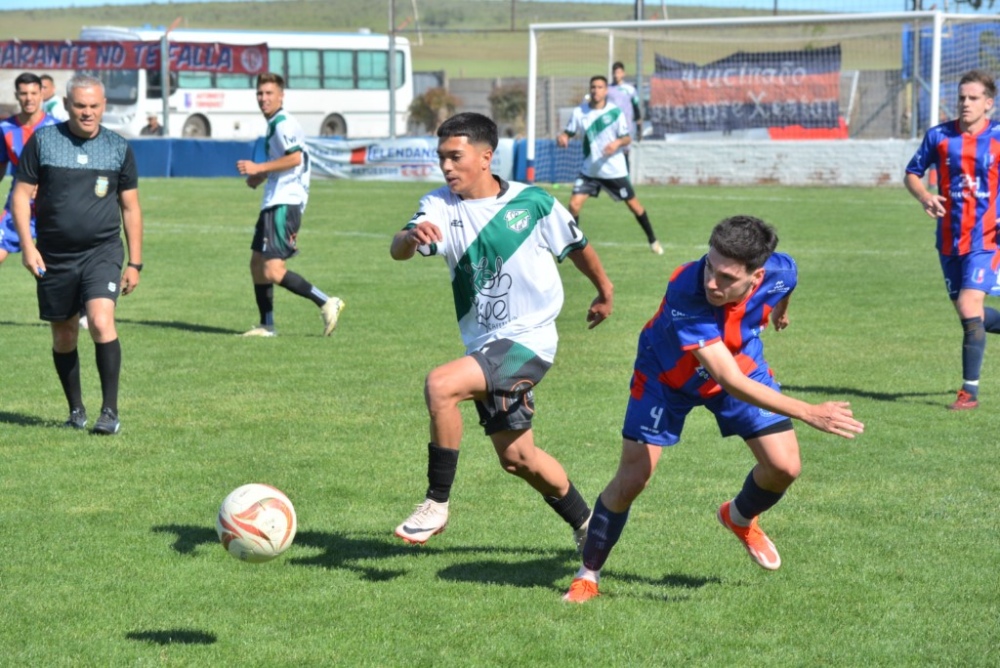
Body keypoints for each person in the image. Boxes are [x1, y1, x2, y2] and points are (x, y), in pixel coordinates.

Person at [562, 215, 864, 603]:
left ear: (755, 278)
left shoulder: (778, 271)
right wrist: (809, 411)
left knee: (785, 467)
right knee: (634, 477)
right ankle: (588, 574)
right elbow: (727, 380)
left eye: (726, 278)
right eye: (710, 267)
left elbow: (789, 280)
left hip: (739, 362)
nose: (711, 282)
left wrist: (780, 310)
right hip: (666, 376)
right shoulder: (686, 287)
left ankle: (738, 517)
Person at [390, 112, 615, 551]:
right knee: (518, 459)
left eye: (455, 157)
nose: (447, 167)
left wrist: (604, 291)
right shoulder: (438, 205)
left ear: (486, 156)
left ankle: (436, 503)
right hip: (486, 345)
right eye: (442, 158)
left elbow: (577, 246)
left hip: (530, 341)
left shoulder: (532, 203)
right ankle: (589, 524)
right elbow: (400, 247)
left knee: (441, 385)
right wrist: (412, 235)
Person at [12, 73, 144, 435]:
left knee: (101, 322)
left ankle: (110, 412)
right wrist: (27, 246)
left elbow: (130, 207)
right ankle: (75, 410)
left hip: (101, 251)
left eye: (94, 106)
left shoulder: (118, 147)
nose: (88, 113)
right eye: (81, 106)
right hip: (53, 255)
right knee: (64, 335)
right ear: (67, 105)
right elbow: (20, 196)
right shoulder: (43, 142)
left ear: (104, 106)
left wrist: (135, 262)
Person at [904, 69, 1000, 411]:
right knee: (969, 314)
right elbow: (912, 173)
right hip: (948, 240)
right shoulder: (939, 136)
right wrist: (925, 196)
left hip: (987, 238)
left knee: (969, 307)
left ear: (988, 103)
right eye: (961, 97)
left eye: (973, 98)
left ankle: (969, 393)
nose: (965, 103)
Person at [236, 72, 343, 337]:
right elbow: (290, 160)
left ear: (281, 96)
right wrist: (260, 176)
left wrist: (258, 166)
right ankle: (267, 325)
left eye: (269, 93)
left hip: (286, 202)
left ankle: (326, 301)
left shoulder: (283, 123)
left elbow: (295, 158)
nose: (264, 98)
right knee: (256, 263)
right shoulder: (275, 124)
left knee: (272, 269)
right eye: (260, 94)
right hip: (274, 199)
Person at [557, 75, 663, 255]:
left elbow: (627, 137)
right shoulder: (579, 112)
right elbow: (568, 132)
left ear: (606, 91)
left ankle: (653, 240)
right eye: (593, 87)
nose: (595, 90)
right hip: (590, 170)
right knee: (574, 205)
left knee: (634, 206)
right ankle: (574, 247)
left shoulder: (615, 113)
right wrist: (563, 137)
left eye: (599, 87)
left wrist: (617, 143)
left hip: (614, 171)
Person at [0, 72, 59, 270]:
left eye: (33, 93)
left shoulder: (58, 128)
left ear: (42, 94)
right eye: (24, 93)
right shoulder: (5, 128)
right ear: (17, 95)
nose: (29, 98)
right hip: (18, 204)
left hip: (52, 205)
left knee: (52, 268)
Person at [607, 61, 643, 168]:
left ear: (623, 73)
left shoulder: (630, 89)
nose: (616, 75)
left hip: (626, 126)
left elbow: (636, 107)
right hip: (610, 126)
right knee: (611, 151)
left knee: (625, 153)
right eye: (614, 72)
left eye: (619, 72)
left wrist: (639, 126)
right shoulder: (607, 90)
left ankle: (625, 180)